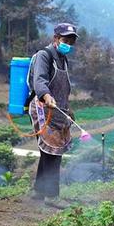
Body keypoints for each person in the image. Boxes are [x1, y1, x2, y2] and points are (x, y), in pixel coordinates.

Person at [28, 22, 78, 208]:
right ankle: (52, 195)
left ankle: (39, 191)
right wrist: (46, 96)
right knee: (53, 150)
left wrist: (68, 108)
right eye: (66, 40)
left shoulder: (63, 59)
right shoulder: (44, 55)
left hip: (58, 109)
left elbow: (63, 88)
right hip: (43, 107)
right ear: (56, 38)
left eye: (72, 41)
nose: (69, 44)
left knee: (48, 151)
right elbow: (39, 80)